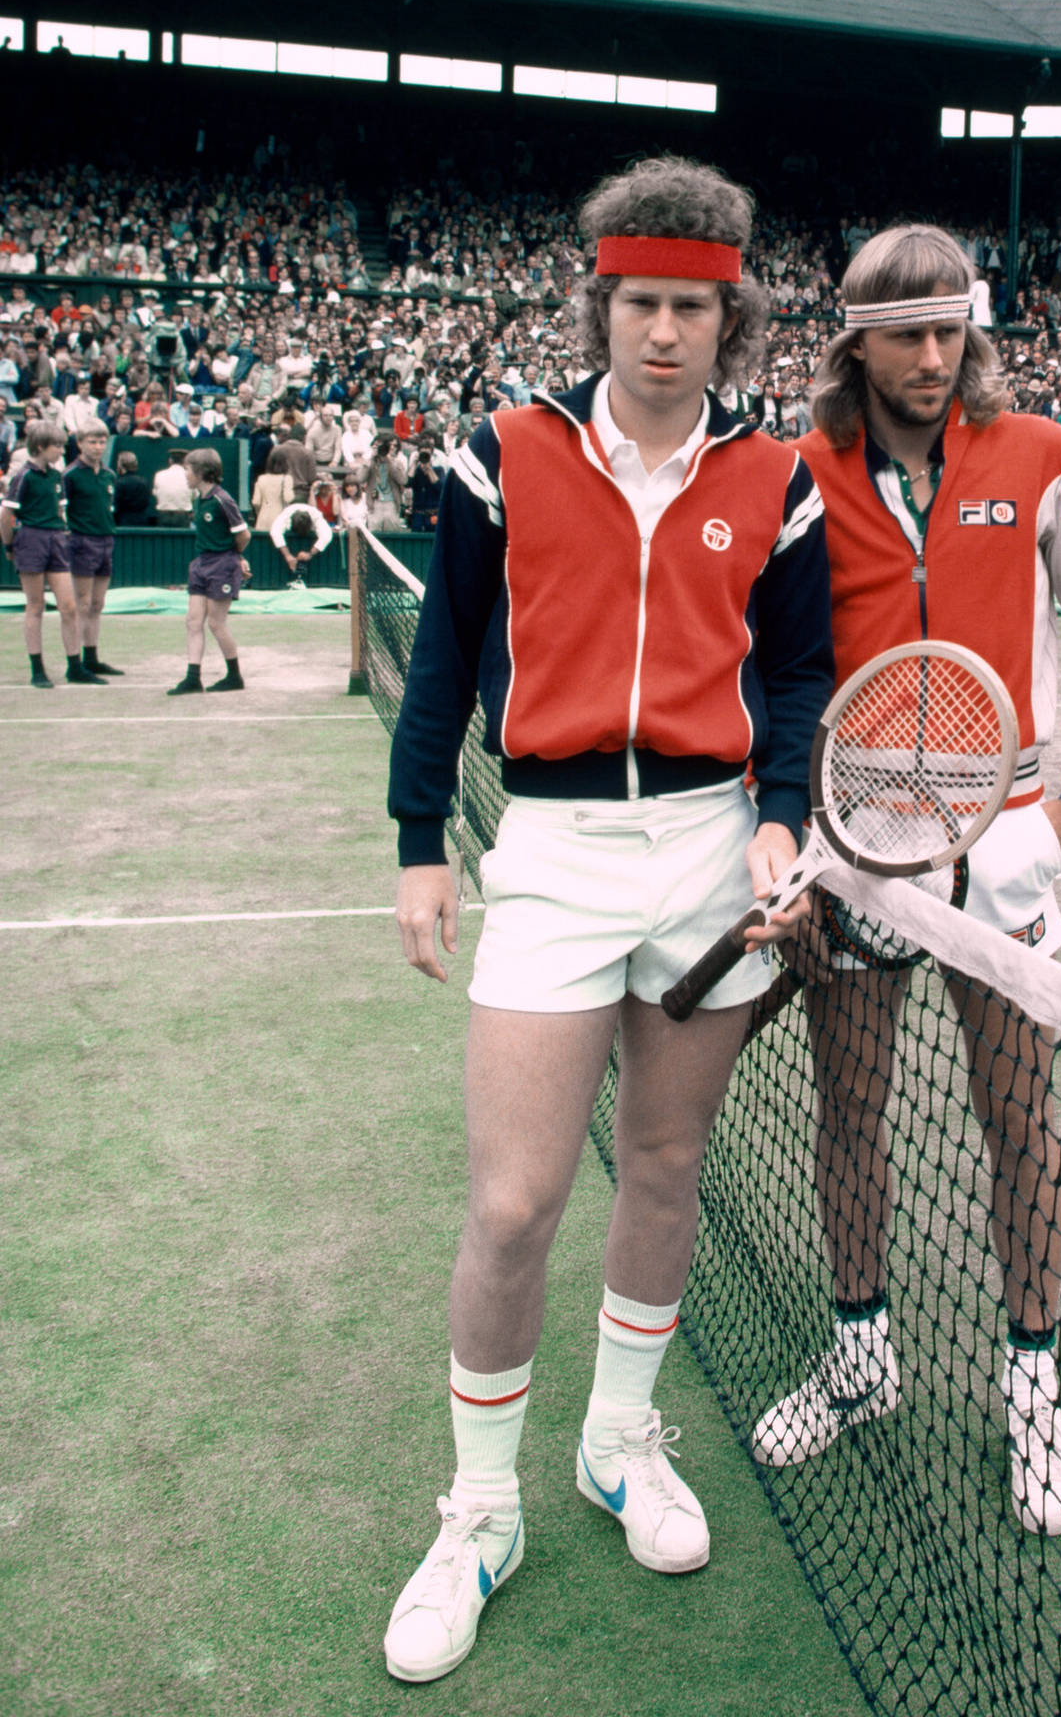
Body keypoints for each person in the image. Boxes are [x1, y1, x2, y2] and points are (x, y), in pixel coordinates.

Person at [382, 157, 834, 1684]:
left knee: (666, 1161)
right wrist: (416, 843)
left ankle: (621, 1442)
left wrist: (781, 818)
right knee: (513, 1203)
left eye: (693, 308)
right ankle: (479, 1509)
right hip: (558, 854)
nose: (663, 333)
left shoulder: (780, 481)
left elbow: (792, 679)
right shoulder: (500, 454)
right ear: (604, 302)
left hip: (714, 852)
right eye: (641, 302)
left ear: (731, 318)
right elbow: (443, 657)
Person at [753, 224, 1061, 1539]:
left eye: (951, 329)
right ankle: (864, 1356)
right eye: (906, 333)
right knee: (850, 1112)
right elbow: (776, 680)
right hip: (859, 861)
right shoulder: (800, 474)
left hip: (1010, 858)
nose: (933, 357)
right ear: (854, 341)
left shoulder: (1043, 459)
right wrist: (801, 846)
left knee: (1018, 1123)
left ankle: (1034, 1388)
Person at [1, 420, 98, 688]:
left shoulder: (57, 477)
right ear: (41, 447)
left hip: (56, 539)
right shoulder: (23, 476)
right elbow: (6, 514)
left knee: (68, 606)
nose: (60, 450)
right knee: (36, 606)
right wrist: (9, 546)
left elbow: (59, 510)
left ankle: (75, 667)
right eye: (56, 446)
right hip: (31, 539)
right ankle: (38, 669)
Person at [167, 447, 250, 694]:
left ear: (202, 472)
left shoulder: (223, 500)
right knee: (193, 621)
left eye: (188, 470)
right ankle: (193, 678)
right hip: (201, 564)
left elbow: (244, 535)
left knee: (215, 623)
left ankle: (235, 676)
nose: (185, 475)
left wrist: (233, 558)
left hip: (221, 566)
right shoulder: (199, 499)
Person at [62, 421, 122, 675]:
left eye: (101, 442)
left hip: (106, 539)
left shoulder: (109, 475)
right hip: (82, 541)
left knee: (98, 603)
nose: (98, 447)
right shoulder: (70, 475)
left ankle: (92, 657)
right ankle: (76, 664)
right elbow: (62, 511)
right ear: (80, 444)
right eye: (92, 442)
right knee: (82, 603)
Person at [270, 502, 333, 586]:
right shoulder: (286, 514)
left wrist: (310, 554)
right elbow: (275, 532)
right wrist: (287, 556)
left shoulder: (316, 515)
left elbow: (327, 535)